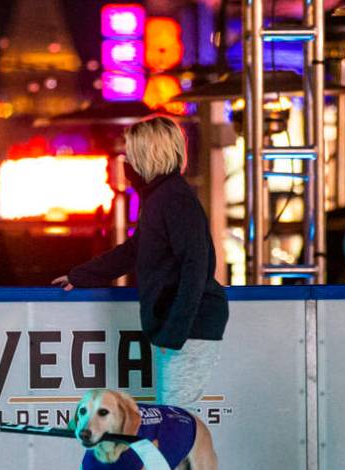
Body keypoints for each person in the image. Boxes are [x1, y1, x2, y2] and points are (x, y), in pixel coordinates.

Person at [54, 115, 228, 408]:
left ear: (147, 154)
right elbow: (135, 250)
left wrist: (173, 334)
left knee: (175, 421)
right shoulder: (161, 198)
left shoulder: (173, 199)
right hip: (182, 329)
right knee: (174, 420)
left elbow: (195, 267)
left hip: (189, 329)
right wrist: (82, 275)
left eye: (130, 153)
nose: (126, 160)